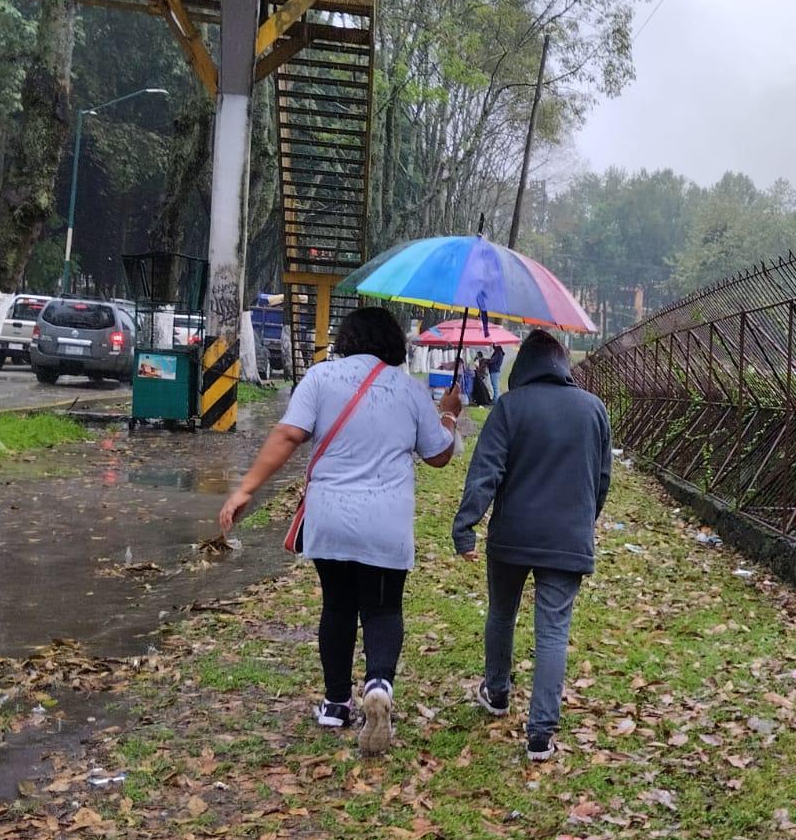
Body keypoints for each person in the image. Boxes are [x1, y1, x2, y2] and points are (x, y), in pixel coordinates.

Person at [219, 307, 464, 755]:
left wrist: (245, 490)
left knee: (337, 606)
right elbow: (440, 456)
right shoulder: (410, 392)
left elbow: (288, 436)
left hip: (330, 517)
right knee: (383, 608)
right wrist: (448, 415)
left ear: (346, 338)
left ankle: (335, 704)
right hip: (385, 521)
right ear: (393, 343)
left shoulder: (320, 379)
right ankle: (379, 685)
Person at [452, 329, 612, 762]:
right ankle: (540, 734)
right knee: (554, 631)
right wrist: (581, 523)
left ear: (522, 366)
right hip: (567, 537)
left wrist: (465, 526)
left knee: (502, 614)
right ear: (562, 364)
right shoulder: (593, 409)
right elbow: (601, 481)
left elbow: (486, 472)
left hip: (512, 537)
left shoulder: (510, 406)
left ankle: (498, 693)